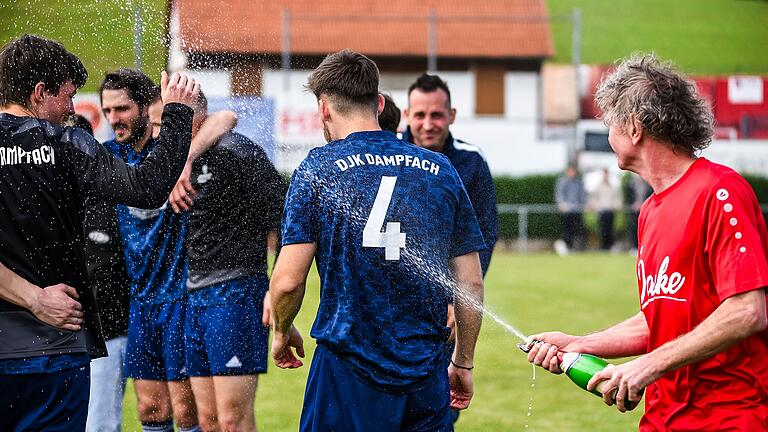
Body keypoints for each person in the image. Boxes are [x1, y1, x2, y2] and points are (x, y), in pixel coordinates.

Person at [527, 55, 768, 431]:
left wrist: (647, 366)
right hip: (662, 417)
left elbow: (747, 311)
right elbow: (661, 316)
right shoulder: (650, 210)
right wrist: (582, 343)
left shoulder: (719, 191)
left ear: (635, 128)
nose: (608, 135)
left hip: (729, 416)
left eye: (609, 123)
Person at [270, 49, 485, 432]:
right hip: (426, 374)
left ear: (323, 109)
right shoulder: (441, 169)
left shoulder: (318, 170)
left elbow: (287, 281)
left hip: (347, 371)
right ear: (380, 102)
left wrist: (282, 329)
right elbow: (469, 283)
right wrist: (463, 361)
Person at [0, 34, 197, 432]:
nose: (71, 110)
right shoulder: (65, 142)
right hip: (56, 348)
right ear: (40, 93)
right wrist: (176, 114)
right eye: (68, 96)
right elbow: (147, 188)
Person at [183, 91, 286, 432]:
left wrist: (276, 285)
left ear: (193, 118)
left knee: (232, 420)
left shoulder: (237, 152)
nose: (160, 131)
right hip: (194, 295)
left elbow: (285, 214)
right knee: (208, 421)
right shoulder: (177, 159)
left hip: (236, 292)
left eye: (165, 121)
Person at [402, 73, 498, 277]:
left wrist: (462, 293)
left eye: (436, 115)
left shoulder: (472, 160)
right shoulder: (386, 156)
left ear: (452, 115)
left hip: (450, 289)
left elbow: (485, 231)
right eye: (420, 115)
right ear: (407, 115)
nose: (428, 125)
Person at [554, 164, 587, 253]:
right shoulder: (562, 182)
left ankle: (575, 248)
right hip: (567, 211)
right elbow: (559, 195)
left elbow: (582, 195)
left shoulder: (579, 182)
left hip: (577, 210)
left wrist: (584, 204)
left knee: (578, 230)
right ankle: (566, 247)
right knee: (567, 230)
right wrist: (562, 204)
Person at [587, 168, 621, 251]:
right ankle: (603, 247)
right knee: (603, 230)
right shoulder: (598, 186)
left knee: (610, 230)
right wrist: (595, 205)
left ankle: (610, 246)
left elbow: (616, 198)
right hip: (602, 211)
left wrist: (617, 205)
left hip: (610, 211)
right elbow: (593, 198)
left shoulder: (612, 186)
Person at [623, 172, 651, 252]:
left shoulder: (647, 184)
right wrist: (633, 205)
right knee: (633, 228)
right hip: (633, 211)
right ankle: (634, 247)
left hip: (644, 210)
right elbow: (627, 198)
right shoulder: (630, 185)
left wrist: (643, 205)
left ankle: (643, 246)